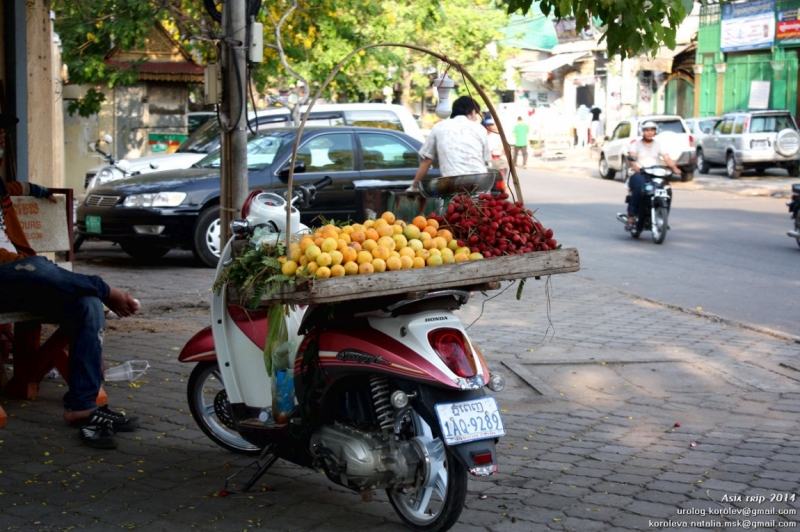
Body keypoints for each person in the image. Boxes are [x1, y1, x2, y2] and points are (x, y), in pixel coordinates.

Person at [0, 117, 140, 449]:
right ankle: (105, 289)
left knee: (86, 305)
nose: (2, 140)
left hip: (18, 281)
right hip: (11, 277)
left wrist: (44, 193)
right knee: (37, 267)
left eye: (3, 135)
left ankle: (83, 407)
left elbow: (21, 188)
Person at [406, 96, 490, 194]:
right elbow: (486, 159)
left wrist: (414, 187)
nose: (476, 118)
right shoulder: (480, 128)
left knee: (455, 209)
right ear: (469, 112)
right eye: (476, 113)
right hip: (480, 189)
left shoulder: (439, 127)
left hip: (453, 191)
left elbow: (427, 161)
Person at [625, 121, 680, 231]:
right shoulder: (635, 144)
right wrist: (635, 166)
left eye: (652, 130)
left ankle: (662, 217)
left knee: (667, 190)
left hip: (655, 174)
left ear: (655, 131)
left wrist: (674, 167)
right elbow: (632, 157)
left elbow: (667, 158)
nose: (649, 132)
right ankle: (631, 217)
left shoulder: (658, 145)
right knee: (639, 188)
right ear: (643, 131)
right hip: (640, 174)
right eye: (647, 130)